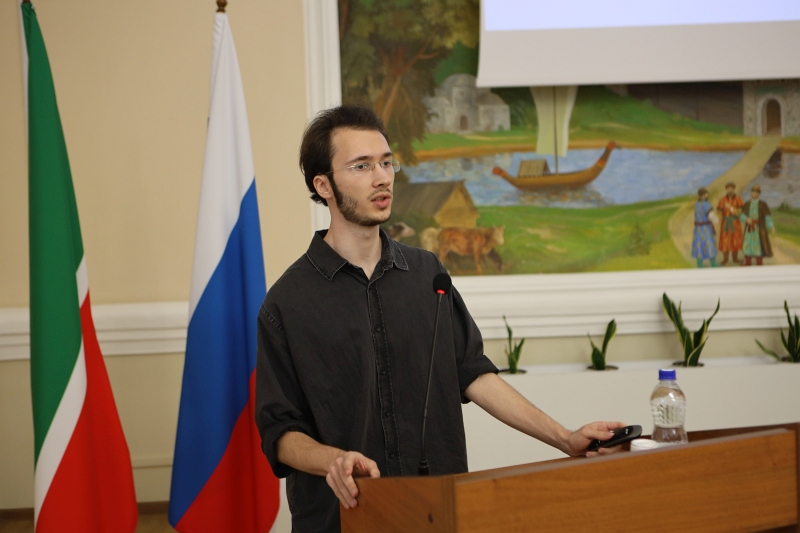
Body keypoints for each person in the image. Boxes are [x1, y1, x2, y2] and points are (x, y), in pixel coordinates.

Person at [254, 105, 625, 532]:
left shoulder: (428, 274)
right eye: (361, 166)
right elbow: (280, 432)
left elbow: (473, 373)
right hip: (340, 518)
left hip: (436, 512)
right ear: (324, 185)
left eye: (386, 162)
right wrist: (332, 460)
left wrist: (565, 438)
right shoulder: (286, 303)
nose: (382, 177)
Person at [740, 185, 775, 266]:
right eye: (753, 192)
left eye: (756, 192)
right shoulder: (747, 204)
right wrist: (746, 219)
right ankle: (748, 262)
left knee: (759, 245)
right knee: (747, 244)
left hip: (759, 228)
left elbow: (767, 217)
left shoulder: (763, 204)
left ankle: (759, 262)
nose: (754, 194)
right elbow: (741, 215)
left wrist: (771, 226)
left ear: (759, 194)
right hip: (749, 229)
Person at [716, 182, 744, 265]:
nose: (730, 190)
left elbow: (739, 212)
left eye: (731, 188)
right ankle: (725, 259)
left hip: (735, 223)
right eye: (728, 188)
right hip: (725, 223)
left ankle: (735, 258)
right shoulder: (722, 199)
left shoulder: (738, 199)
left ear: (734, 189)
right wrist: (719, 218)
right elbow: (719, 211)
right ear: (726, 189)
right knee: (725, 240)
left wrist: (731, 208)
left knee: (736, 239)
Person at [692, 187, 718, 268]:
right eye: (705, 194)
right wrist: (716, 220)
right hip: (706, 228)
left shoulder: (696, 204)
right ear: (704, 195)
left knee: (699, 245)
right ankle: (713, 264)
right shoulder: (707, 204)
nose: (706, 195)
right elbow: (711, 216)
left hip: (697, 229)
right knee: (710, 244)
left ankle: (699, 265)